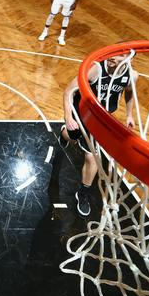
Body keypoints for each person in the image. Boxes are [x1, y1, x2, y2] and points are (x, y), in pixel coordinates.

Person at [59, 52, 138, 216]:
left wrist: (129, 115)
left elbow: (129, 92)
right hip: (81, 112)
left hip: (100, 119)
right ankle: (64, 133)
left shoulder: (132, 75)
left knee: (92, 157)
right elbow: (68, 92)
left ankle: (82, 193)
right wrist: (68, 117)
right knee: (72, 136)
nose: (113, 58)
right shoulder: (95, 69)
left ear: (129, 59)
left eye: (120, 56)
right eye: (114, 54)